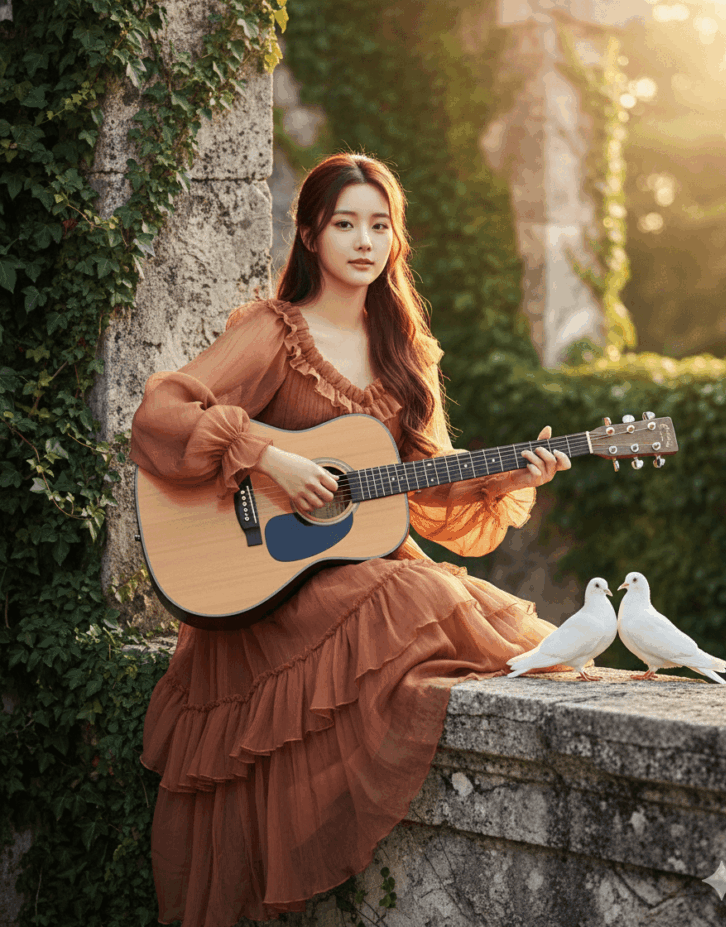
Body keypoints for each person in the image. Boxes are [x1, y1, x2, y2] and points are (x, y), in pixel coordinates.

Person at [130, 152, 574, 927]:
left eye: (380, 225)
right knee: (416, 591)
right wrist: (267, 455)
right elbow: (162, 414)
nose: (364, 241)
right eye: (345, 224)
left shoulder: (406, 355)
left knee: (454, 600)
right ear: (309, 233)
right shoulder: (274, 333)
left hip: (353, 573)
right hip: (266, 596)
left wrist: (505, 479)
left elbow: (421, 490)